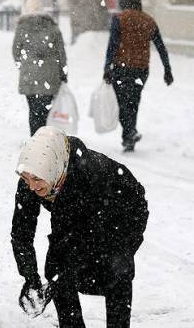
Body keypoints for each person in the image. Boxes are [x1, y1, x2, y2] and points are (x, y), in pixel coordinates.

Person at [11, 126, 149, 328]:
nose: (31, 186)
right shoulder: (34, 174)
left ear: (53, 169)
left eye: (37, 180)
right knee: (57, 269)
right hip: (81, 215)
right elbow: (21, 233)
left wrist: (123, 251)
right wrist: (30, 277)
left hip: (122, 211)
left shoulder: (88, 173)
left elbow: (77, 237)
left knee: (115, 269)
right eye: (26, 179)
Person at [103, 0, 173, 152]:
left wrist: (107, 66)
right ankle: (130, 137)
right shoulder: (148, 21)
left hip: (121, 68)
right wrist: (167, 69)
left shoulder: (119, 19)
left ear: (125, 1)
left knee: (123, 104)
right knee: (133, 102)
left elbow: (112, 45)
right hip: (141, 70)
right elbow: (161, 47)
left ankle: (129, 133)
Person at [12, 0, 68, 136]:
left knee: (33, 110)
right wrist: (63, 72)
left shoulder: (22, 26)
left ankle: (35, 137)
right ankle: (43, 137)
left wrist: (24, 65)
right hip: (50, 74)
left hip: (29, 75)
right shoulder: (52, 26)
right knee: (45, 110)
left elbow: (16, 50)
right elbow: (61, 52)